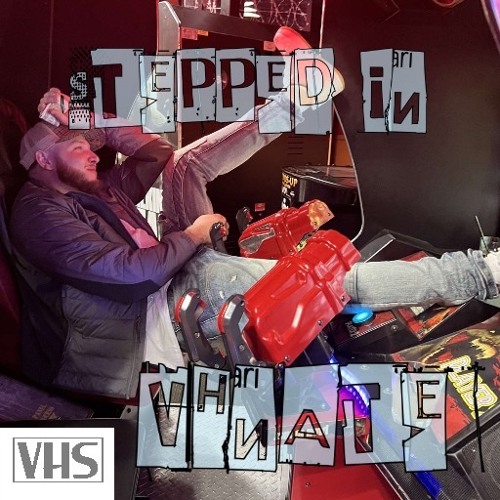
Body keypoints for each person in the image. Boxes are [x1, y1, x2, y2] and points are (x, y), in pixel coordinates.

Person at [9, 27, 500, 399]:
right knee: (312, 279)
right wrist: (194, 237)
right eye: (79, 146)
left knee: (183, 165)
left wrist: (91, 119)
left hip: (166, 277)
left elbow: (157, 154)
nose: (94, 151)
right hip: (142, 325)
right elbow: (130, 278)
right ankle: (480, 274)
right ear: (45, 160)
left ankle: (300, 98)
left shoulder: (89, 188)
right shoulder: (37, 214)